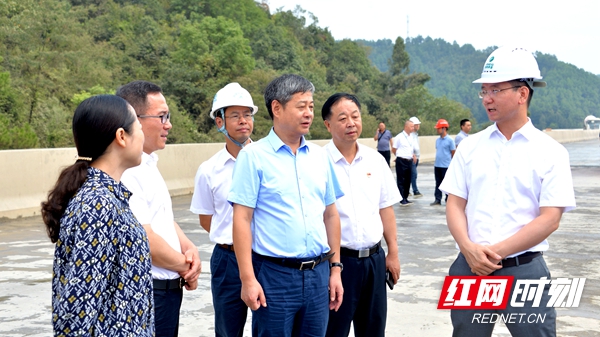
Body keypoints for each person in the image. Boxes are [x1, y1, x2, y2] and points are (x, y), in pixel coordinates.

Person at [440, 46, 576, 336]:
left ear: (522, 93)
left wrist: (492, 254)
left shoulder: (551, 152)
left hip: (523, 270)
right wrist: (468, 249)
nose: (487, 98)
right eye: (484, 91)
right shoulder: (470, 147)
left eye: (495, 90)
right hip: (469, 268)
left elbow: (550, 218)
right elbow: (454, 204)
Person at [228, 74, 344, 337]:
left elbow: (331, 215)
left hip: (318, 275)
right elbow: (242, 220)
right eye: (301, 106)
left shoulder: (320, 156)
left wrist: (335, 269)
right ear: (276, 108)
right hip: (274, 277)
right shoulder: (253, 157)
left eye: (311, 106)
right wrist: (248, 279)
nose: (309, 113)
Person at [41, 95, 154, 336]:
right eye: (139, 127)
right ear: (121, 136)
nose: (143, 136)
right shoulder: (97, 204)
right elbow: (77, 308)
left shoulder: (106, 196)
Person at [117, 81, 201, 337]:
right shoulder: (128, 173)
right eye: (162, 116)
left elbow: (162, 219)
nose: (168, 124)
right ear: (134, 119)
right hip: (150, 291)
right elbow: (143, 238)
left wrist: (189, 248)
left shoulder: (148, 164)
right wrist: (185, 267)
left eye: (169, 116)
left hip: (167, 288)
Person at [321, 93, 401, 337]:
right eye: (343, 118)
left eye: (355, 116)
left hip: (374, 262)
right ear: (328, 124)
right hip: (337, 264)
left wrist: (393, 253)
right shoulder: (317, 162)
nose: (351, 123)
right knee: (334, 330)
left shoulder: (375, 160)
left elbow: (385, 208)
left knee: (373, 329)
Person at [190, 83, 257, 337]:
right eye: (235, 115)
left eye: (248, 114)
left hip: (265, 256)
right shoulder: (209, 170)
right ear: (219, 122)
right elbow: (207, 219)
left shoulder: (267, 159)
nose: (244, 121)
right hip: (227, 260)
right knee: (228, 330)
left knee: (270, 327)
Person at [430, 119, 455, 206]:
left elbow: (453, 153)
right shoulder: (438, 140)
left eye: (438, 128)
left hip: (446, 166)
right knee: (438, 183)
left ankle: (448, 199)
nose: (437, 130)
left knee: (447, 183)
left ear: (444, 128)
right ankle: (437, 199)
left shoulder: (450, 140)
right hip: (437, 165)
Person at [392, 120, 415, 206]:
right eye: (411, 126)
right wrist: (398, 155)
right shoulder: (399, 137)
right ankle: (402, 198)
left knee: (408, 180)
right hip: (401, 160)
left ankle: (406, 197)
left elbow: (410, 148)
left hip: (409, 160)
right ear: (406, 127)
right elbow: (394, 149)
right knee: (401, 180)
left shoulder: (411, 137)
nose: (413, 128)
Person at [409, 116, 423, 198]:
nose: (418, 126)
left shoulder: (415, 135)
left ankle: (407, 191)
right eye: (417, 124)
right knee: (413, 174)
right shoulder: (409, 135)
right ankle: (415, 190)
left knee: (411, 175)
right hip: (412, 157)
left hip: (416, 157)